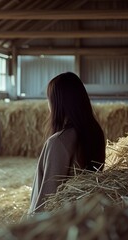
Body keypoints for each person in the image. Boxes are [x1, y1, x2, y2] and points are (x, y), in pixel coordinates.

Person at [28, 72, 105, 215]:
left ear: (57, 102)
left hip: (60, 223)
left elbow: (47, 198)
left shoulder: (59, 142)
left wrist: (31, 228)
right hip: (87, 217)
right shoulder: (95, 133)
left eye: (49, 99)